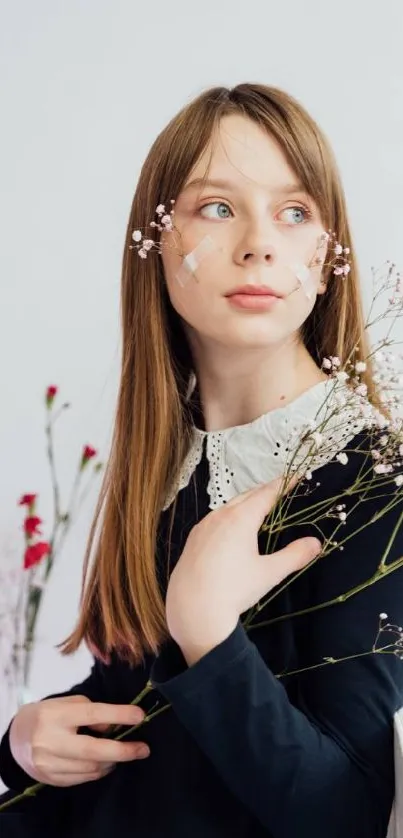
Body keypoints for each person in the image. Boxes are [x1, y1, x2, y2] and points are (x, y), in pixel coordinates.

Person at [1, 82, 403, 838]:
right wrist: (25, 742)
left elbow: (346, 816)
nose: (259, 242)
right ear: (152, 243)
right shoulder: (167, 455)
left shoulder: (373, 482)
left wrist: (207, 628)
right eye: (216, 208)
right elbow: (133, 706)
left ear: (323, 260)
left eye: (294, 212)